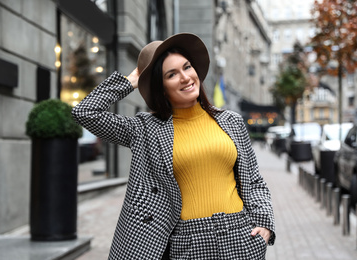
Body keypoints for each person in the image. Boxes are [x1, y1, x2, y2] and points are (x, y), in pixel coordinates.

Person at [72, 33, 275, 259]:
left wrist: (264, 224)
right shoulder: (144, 129)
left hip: (240, 236)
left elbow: (254, 181)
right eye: (171, 74)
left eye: (187, 67)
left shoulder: (231, 121)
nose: (185, 77)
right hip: (187, 241)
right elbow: (85, 113)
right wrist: (131, 81)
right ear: (161, 87)